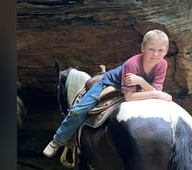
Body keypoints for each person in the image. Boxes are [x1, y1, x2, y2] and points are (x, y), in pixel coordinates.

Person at [43, 29, 172, 157]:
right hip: (109, 84)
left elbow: (155, 90)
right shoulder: (132, 64)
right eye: (151, 49)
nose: (155, 54)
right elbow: (130, 97)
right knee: (78, 110)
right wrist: (157, 94)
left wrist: (142, 82)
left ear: (166, 51)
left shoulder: (162, 64)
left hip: (137, 85)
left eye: (160, 50)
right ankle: (57, 140)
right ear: (143, 48)